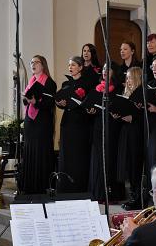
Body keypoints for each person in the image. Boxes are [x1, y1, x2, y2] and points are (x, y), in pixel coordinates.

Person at [56, 57, 94, 192]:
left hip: (81, 123)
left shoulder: (87, 83)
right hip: (67, 122)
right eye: (69, 65)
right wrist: (60, 103)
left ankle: (79, 187)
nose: (70, 67)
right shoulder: (66, 83)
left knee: (79, 155)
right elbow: (60, 100)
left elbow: (90, 102)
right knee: (66, 155)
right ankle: (65, 186)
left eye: (73, 65)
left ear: (80, 67)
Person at [20, 55, 57, 195]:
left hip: (42, 122)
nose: (33, 64)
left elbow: (50, 104)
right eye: (31, 62)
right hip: (30, 121)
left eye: (36, 62)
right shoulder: (31, 81)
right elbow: (27, 101)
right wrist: (27, 99)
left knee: (40, 152)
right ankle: (29, 185)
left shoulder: (49, 83)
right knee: (29, 151)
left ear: (43, 65)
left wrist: (36, 102)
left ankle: (41, 186)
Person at [88, 65, 124, 202]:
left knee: (110, 158)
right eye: (103, 69)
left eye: (108, 69)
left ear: (113, 72)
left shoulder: (118, 88)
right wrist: (90, 110)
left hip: (113, 126)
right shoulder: (97, 88)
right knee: (98, 158)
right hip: (98, 125)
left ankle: (111, 193)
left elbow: (121, 106)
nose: (104, 71)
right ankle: (98, 192)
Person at [115, 67, 147, 210]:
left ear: (137, 78)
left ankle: (138, 198)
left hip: (137, 132)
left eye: (130, 78)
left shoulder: (142, 93)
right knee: (129, 164)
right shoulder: (127, 93)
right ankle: (133, 195)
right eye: (126, 78)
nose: (127, 81)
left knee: (136, 165)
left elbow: (145, 116)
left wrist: (132, 117)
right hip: (126, 131)